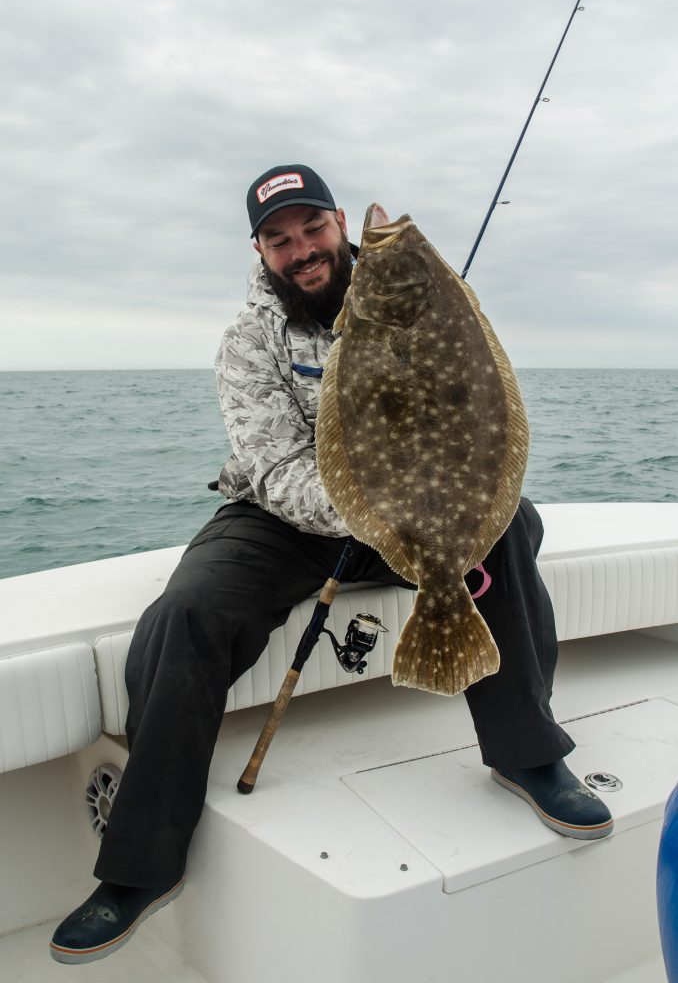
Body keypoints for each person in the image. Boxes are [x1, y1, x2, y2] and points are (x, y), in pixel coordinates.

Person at [50, 164, 614, 965]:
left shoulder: (415, 297)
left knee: (510, 526)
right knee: (185, 616)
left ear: (339, 222)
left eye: (312, 229)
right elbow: (275, 469)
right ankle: (143, 864)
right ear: (261, 250)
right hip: (284, 516)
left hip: (416, 501)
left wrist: (422, 508)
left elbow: (481, 401)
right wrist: (374, 512)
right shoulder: (249, 341)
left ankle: (530, 755)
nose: (301, 250)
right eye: (279, 240)